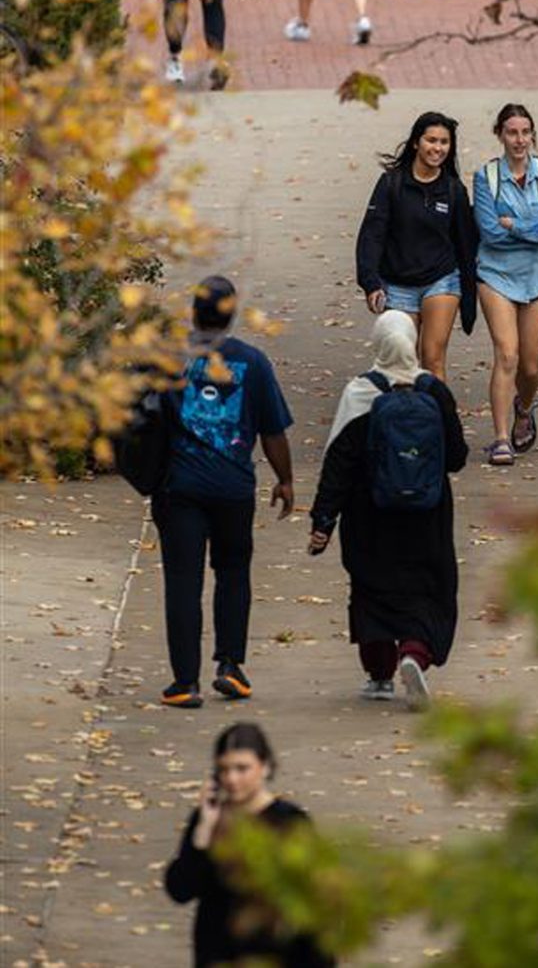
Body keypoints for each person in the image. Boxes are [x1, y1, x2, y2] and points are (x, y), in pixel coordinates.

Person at [308, 311, 468, 709]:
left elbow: (338, 464)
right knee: (428, 589)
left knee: (371, 588)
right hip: (427, 514)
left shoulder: (360, 393)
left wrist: (323, 521)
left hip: (369, 514)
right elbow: (457, 458)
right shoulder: (435, 393)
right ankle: (415, 653)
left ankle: (379, 676)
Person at [152, 277, 294, 709]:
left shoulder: (170, 360)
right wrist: (285, 480)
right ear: (232, 315)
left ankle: (184, 681)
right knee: (233, 572)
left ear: (193, 313)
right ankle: (231, 666)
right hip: (233, 487)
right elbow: (272, 431)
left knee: (182, 580)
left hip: (179, 488)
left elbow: (136, 418)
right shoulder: (252, 362)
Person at [165, 723, 334, 968]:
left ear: (264, 767)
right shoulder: (208, 820)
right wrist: (203, 832)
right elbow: (180, 889)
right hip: (218, 954)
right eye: (224, 769)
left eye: (242, 768)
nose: (232, 779)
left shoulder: (289, 822)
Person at [473, 104, 538, 465]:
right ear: (500, 134)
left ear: (532, 134)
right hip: (496, 274)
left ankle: (524, 407)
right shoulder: (486, 177)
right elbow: (490, 234)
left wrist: (515, 225)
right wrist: (534, 232)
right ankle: (500, 439)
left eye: (525, 132)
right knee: (507, 354)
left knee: (530, 366)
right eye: (512, 132)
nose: (519, 140)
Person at [355, 111, 478, 380]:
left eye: (444, 142)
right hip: (397, 284)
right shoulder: (392, 183)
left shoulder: (454, 190)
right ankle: (407, 419)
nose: (437, 148)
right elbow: (372, 234)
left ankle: (438, 421)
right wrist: (370, 282)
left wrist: (470, 299)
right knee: (403, 360)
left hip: (441, 280)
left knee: (433, 357)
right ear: (415, 143)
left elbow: (466, 246)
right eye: (431, 140)